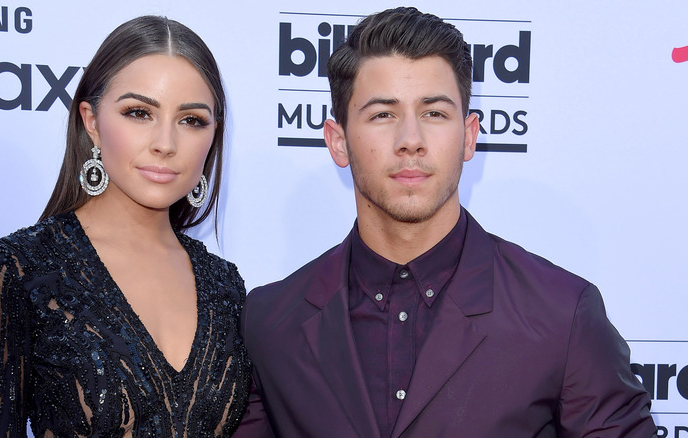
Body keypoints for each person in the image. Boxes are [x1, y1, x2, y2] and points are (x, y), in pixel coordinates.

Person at [234, 7, 656, 438]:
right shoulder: (270, 322)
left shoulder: (562, 314)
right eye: (383, 114)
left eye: (434, 113)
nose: (411, 141)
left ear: (469, 135)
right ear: (338, 142)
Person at [0, 16, 250, 437]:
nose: (165, 143)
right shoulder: (20, 269)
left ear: (213, 135)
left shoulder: (226, 287)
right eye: (139, 113)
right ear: (92, 122)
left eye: (191, 120)